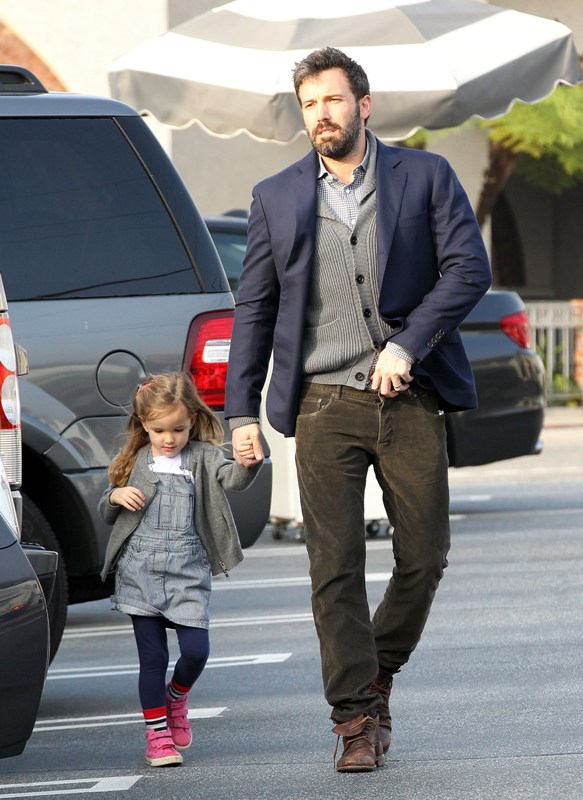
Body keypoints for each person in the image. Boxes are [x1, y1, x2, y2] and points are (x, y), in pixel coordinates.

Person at [224, 47, 492, 772]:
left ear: (363, 105)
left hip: (407, 397)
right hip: (320, 404)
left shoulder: (424, 176)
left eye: (332, 101)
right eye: (309, 104)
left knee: (425, 555)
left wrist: (408, 344)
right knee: (332, 566)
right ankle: (353, 721)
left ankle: (374, 673)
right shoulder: (275, 196)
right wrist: (239, 410)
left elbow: (469, 268)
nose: (321, 115)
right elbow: (254, 308)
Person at [99, 373, 261, 767]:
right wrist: (116, 495)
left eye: (178, 429)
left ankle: (177, 697)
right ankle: (157, 737)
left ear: (192, 421)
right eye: (158, 430)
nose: (168, 438)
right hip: (139, 570)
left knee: (196, 651)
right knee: (152, 660)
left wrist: (249, 461)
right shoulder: (135, 460)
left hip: (187, 570)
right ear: (143, 426)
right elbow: (108, 510)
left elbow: (234, 479)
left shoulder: (203, 457)